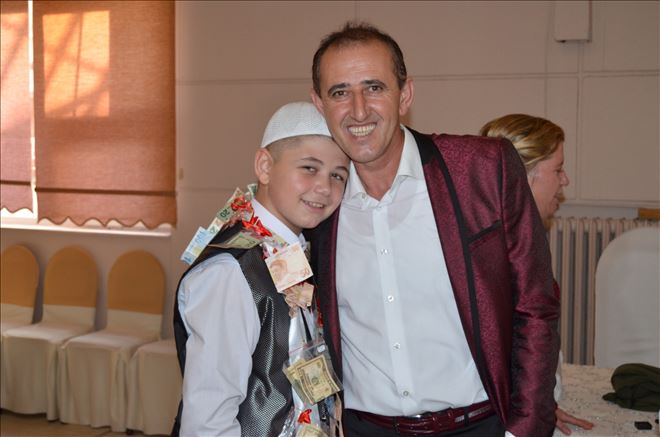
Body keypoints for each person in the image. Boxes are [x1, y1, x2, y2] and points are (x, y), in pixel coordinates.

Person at [308, 22, 560, 437]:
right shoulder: (319, 205)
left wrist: (527, 426)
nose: (358, 110)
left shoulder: (482, 170)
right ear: (319, 104)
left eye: (374, 87)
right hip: (364, 429)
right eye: (340, 92)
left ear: (405, 94)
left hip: (479, 426)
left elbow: (535, 305)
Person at [172, 102, 349, 436]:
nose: (325, 187)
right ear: (265, 166)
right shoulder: (231, 273)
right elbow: (208, 420)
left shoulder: (301, 254)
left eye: (338, 175)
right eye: (309, 168)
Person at [480, 114, 595, 436]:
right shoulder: (495, 255)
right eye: (557, 169)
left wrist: (540, 403)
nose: (565, 180)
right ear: (523, 174)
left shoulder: (521, 242)